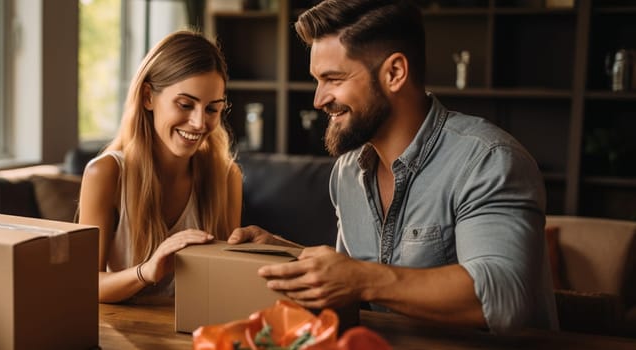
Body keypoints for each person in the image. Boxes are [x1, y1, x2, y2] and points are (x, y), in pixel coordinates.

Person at [228, 0, 558, 333]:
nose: (318, 99)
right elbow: (355, 287)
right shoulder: (347, 172)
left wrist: (357, 277)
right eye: (317, 80)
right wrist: (285, 257)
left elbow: (504, 298)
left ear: (394, 73)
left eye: (333, 78)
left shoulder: (488, 160)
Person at [78, 30, 242, 304]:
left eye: (212, 109)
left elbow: (224, 284)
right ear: (147, 97)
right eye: (185, 104)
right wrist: (146, 271)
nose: (200, 123)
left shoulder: (226, 177)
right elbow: (83, 284)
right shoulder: (106, 174)